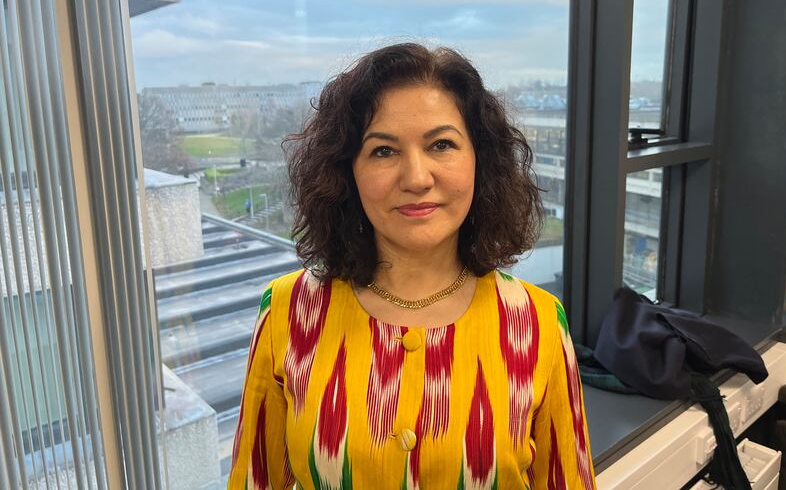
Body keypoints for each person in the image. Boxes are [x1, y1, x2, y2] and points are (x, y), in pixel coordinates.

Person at [228, 43, 596, 489]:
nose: (417, 178)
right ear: (348, 172)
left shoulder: (536, 325)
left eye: (441, 144)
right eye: (383, 151)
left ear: (481, 160)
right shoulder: (289, 312)